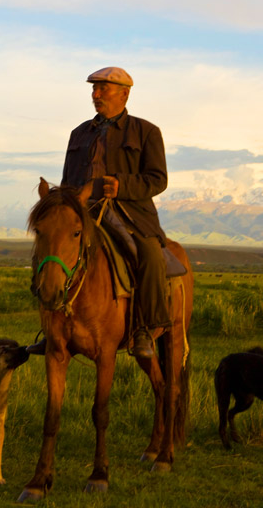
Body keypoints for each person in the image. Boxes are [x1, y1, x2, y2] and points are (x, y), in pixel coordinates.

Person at [29, 66, 169, 359]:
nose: (95, 94)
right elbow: (68, 180)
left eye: (102, 89)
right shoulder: (78, 133)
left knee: (150, 254)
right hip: (81, 210)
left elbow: (158, 179)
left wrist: (121, 185)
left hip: (129, 212)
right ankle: (51, 329)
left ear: (124, 93)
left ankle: (145, 328)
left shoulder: (146, 132)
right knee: (46, 250)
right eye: (94, 89)